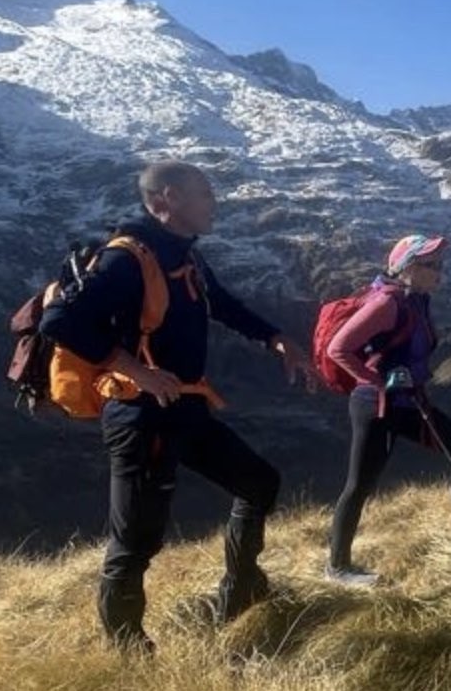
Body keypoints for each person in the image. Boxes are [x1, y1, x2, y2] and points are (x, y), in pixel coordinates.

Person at [39, 160, 317, 653]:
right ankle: (126, 651)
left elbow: (223, 304)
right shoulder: (126, 258)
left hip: (183, 406)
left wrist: (276, 340)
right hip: (140, 414)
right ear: (166, 199)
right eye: (204, 193)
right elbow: (60, 321)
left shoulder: (183, 255)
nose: (215, 202)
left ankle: (241, 589)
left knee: (258, 482)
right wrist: (137, 370)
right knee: (137, 541)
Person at [324, 234, 451, 585]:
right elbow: (338, 349)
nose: (439, 271)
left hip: (406, 401)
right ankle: (337, 567)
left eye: (440, 264)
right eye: (431, 265)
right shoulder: (388, 304)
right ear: (408, 267)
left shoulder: (417, 300)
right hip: (376, 406)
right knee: (360, 484)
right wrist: (378, 381)